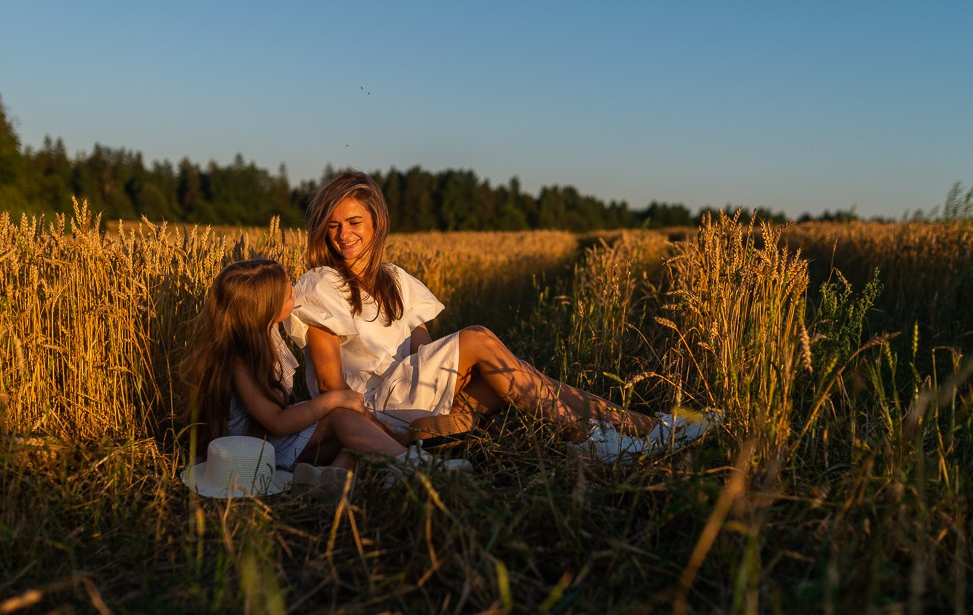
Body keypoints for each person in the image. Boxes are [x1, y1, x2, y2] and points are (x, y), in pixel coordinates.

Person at [286, 171, 709, 462]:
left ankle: (649, 428)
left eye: (354, 221)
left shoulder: (395, 279)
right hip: (371, 407)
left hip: (411, 394)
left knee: (522, 375)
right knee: (477, 338)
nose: (344, 235)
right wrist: (373, 431)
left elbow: (424, 352)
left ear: (377, 222)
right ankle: (589, 439)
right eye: (332, 226)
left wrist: (457, 381)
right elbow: (330, 387)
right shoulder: (322, 285)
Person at [181, 258, 457, 493]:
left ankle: (333, 479)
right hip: (254, 453)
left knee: (355, 435)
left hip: (273, 441)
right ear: (265, 308)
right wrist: (334, 400)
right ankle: (417, 467)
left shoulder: (267, 335)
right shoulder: (240, 361)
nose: (294, 290)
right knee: (342, 416)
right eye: (288, 292)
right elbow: (276, 422)